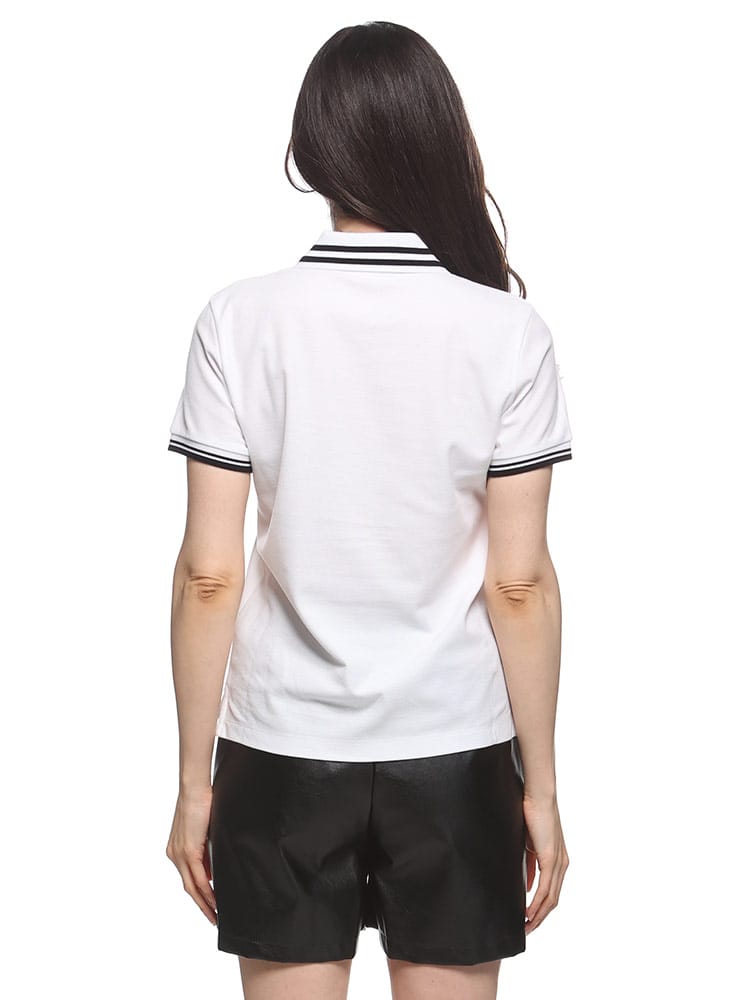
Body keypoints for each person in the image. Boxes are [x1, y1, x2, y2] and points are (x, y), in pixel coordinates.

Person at [165, 20, 572, 1000]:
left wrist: (193, 781)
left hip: (282, 748)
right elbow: (519, 584)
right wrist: (543, 788)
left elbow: (210, 573)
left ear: (310, 151)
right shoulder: (507, 332)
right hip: (456, 747)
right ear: (439, 138)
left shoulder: (239, 320)